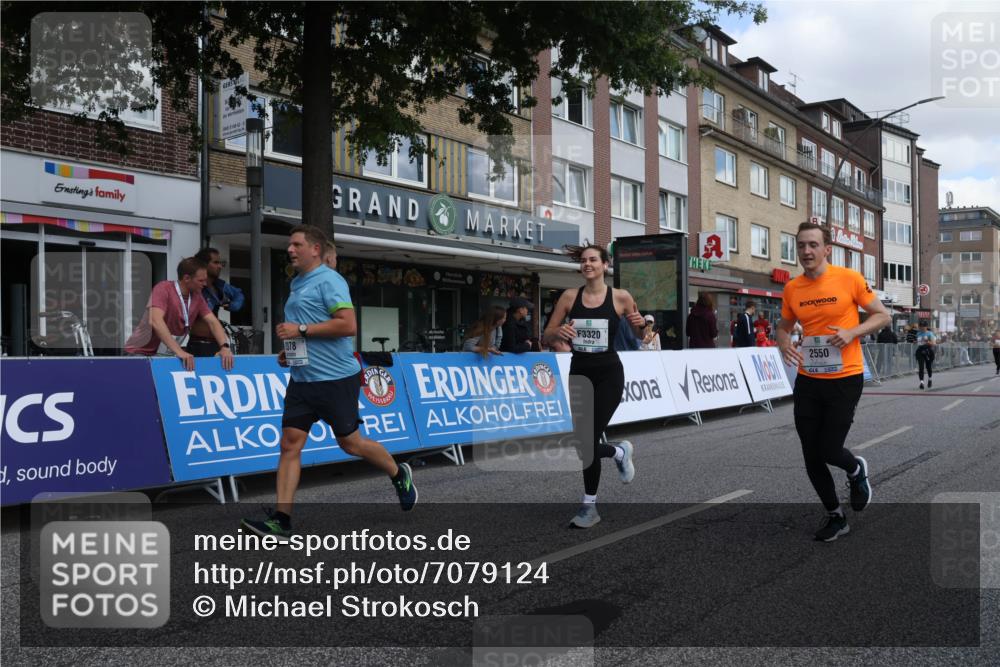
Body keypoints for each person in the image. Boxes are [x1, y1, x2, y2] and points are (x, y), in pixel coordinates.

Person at [242, 225, 416, 540]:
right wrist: (290, 353)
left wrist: (302, 330)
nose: (290, 249)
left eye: (296, 244)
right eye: (289, 245)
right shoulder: (297, 283)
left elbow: (347, 325)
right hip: (303, 379)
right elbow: (304, 329)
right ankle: (281, 520)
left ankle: (397, 472)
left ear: (315, 250)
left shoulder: (330, 281)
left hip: (336, 378)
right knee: (289, 444)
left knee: (350, 443)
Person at [777, 221, 890, 542]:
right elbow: (783, 327)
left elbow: (883, 315)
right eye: (801, 245)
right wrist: (783, 342)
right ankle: (836, 517)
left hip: (845, 377)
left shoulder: (849, 279)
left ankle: (855, 470)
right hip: (809, 380)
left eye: (813, 245)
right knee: (810, 454)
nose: (806, 251)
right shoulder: (792, 288)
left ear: (827, 249)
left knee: (828, 448)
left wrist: (852, 332)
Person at [543, 244, 645, 529]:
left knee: (587, 442)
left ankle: (589, 507)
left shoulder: (621, 297)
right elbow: (546, 335)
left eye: (593, 260)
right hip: (580, 373)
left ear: (604, 265)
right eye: (584, 260)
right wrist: (558, 332)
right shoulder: (569, 297)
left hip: (609, 375)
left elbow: (640, 335)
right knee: (582, 445)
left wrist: (641, 325)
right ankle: (619, 452)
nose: (588, 264)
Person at [124, 257, 234, 372]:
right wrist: (179, 351)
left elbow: (213, 321)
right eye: (200, 281)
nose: (205, 284)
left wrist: (225, 347)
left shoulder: (197, 297)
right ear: (186, 278)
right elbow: (155, 321)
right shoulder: (163, 288)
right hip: (139, 353)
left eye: (205, 280)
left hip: (164, 354)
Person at [187, 248, 245, 357]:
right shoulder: (193, 286)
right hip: (198, 344)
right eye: (215, 262)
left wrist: (233, 306)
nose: (220, 266)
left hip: (217, 344)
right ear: (204, 264)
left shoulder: (219, 286)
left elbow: (239, 294)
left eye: (220, 263)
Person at [915, 322, 937, 389]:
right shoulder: (918, 333)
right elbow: (918, 341)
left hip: (928, 351)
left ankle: (930, 379)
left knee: (928, 367)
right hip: (920, 350)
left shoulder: (929, 333)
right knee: (921, 367)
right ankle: (921, 382)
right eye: (920, 327)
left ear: (926, 327)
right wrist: (916, 342)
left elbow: (933, 343)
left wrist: (927, 342)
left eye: (923, 327)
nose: (921, 328)